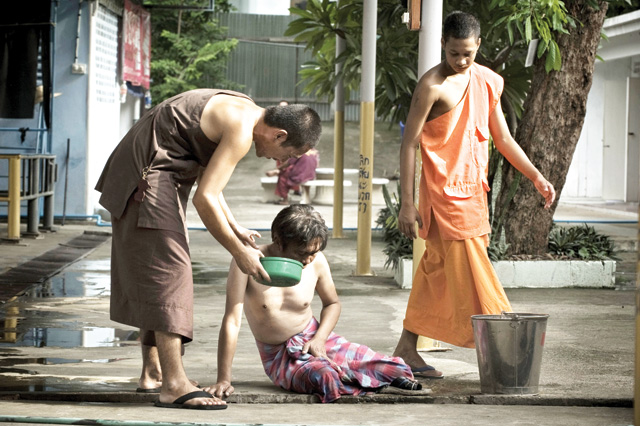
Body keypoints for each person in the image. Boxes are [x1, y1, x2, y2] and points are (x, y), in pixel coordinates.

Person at [95, 89, 322, 409]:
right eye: (286, 154)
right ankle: (173, 384)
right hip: (147, 174)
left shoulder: (247, 111)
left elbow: (211, 186)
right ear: (279, 134)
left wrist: (234, 227)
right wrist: (239, 252)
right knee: (169, 271)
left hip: (151, 168)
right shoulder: (242, 130)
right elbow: (205, 199)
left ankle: (154, 372)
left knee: (156, 267)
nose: (280, 161)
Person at [392, 12, 556, 379]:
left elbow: (504, 139)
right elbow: (409, 144)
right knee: (475, 273)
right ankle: (505, 348)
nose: (462, 61)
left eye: (468, 53)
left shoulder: (486, 80)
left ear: (478, 44)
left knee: (435, 272)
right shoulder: (431, 85)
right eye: (454, 53)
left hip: (474, 192)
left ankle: (406, 347)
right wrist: (406, 202)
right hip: (444, 197)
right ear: (443, 46)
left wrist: (536, 176)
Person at [205, 205, 427, 403]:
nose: (308, 259)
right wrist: (223, 379)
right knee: (325, 376)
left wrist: (319, 339)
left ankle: (368, 379)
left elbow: (332, 303)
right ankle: (360, 380)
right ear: (278, 240)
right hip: (280, 357)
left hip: (318, 340)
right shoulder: (247, 260)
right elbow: (232, 321)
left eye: (314, 252)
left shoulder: (317, 260)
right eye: (302, 253)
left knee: (392, 368)